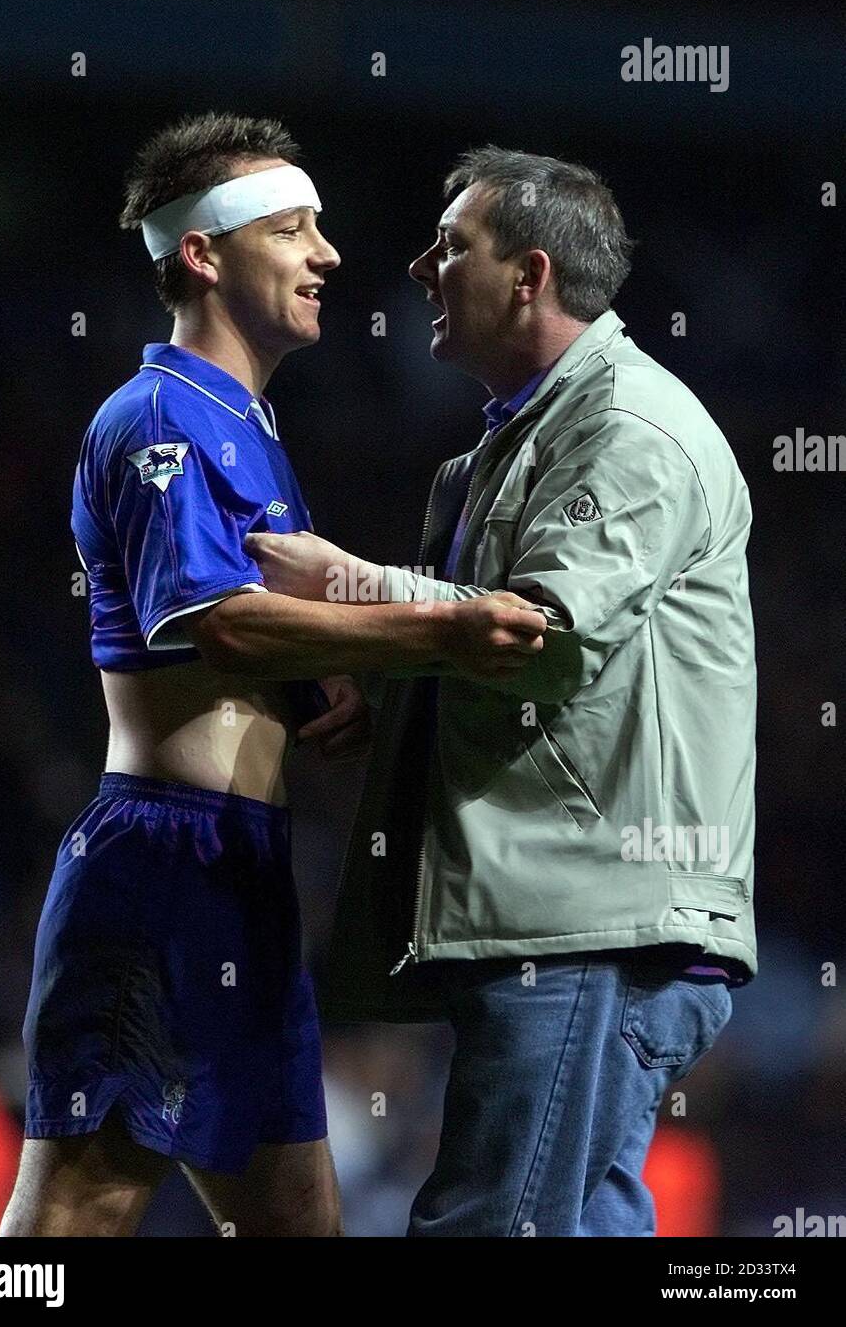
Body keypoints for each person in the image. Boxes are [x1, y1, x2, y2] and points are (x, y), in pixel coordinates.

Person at [0, 116, 549, 1238]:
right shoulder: (157, 416)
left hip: (244, 873)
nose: (329, 253)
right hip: (157, 866)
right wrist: (436, 631)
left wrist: (317, 691)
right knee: (75, 1214)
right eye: (293, 227)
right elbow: (221, 627)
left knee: (302, 1225)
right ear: (202, 254)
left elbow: (261, 630)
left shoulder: (249, 428)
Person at [248, 147, 757, 1237]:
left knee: (493, 1224)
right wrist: (388, 704)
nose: (421, 268)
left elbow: (544, 637)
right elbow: (544, 658)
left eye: (451, 246)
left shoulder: (627, 428)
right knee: (570, 1220)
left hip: (594, 925)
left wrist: (340, 581)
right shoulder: (529, 437)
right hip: (581, 920)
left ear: (528, 275)